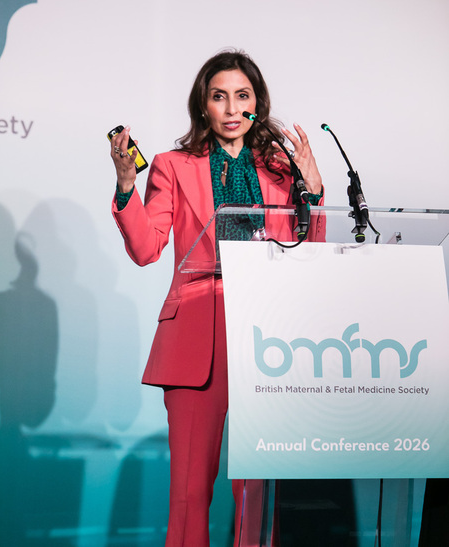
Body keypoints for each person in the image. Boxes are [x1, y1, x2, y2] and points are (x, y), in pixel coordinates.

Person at [110, 50, 325, 547]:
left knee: (257, 493)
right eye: (218, 96)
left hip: (267, 334)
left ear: (257, 104)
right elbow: (146, 249)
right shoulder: (171, 166)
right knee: (189, 493)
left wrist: (312, 190)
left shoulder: (282, 169)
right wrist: (126, 187)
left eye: (242, 96)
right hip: (196, 333)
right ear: (202, 106)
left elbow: (310, 253)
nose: (231, 108)